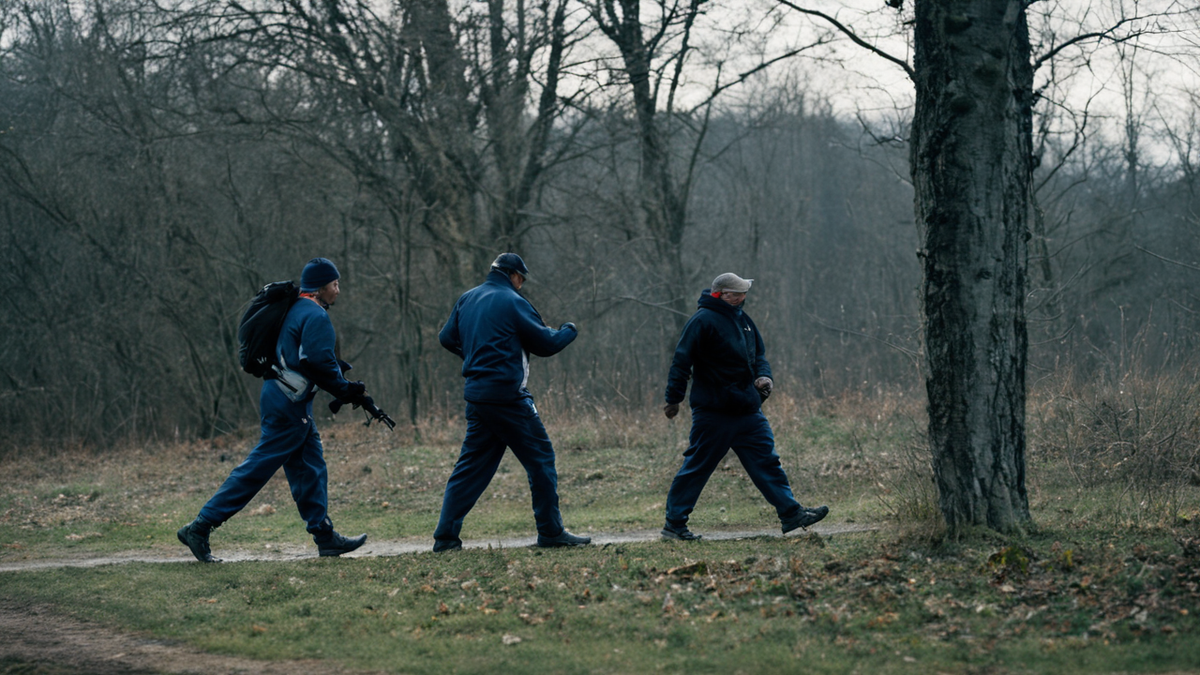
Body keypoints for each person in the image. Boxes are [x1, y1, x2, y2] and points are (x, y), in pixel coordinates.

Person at [177, 258, 370, 562]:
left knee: (310, 467)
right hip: (288, 405)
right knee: (258, 468)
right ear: (321, 287)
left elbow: (303, 357)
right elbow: (316, 362)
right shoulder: (316, 315)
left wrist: (340, 379)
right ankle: (200, 527)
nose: (339, 290)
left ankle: (324, 536)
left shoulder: (294, 309)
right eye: (335, 284)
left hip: (283, 398)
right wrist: (346, 389)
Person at [433, 253, 591, 552]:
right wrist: (569, 329)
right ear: (514, 275)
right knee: (541, 459)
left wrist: (471, 357)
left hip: (477, 396)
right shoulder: (513, 301)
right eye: (522, 279)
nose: (522, 285)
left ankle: (445, 537)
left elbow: (445, 338)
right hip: (508, 398)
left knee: (470, 468)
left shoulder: (468, 298)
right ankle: (551, 531)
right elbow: (546, 344)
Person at [660, 272, 828, 541]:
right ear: (720, 294)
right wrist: (673, 399)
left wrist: (764, 376)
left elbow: (759, 355)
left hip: (747, 409)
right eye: (736, 293)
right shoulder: (701, 321)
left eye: (743, 292)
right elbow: (681, 361)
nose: (742, 297)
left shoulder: (745, 321)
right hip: (714, 412)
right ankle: (674, 525)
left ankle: (791, 514)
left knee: (767, 462)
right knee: (697, 467)